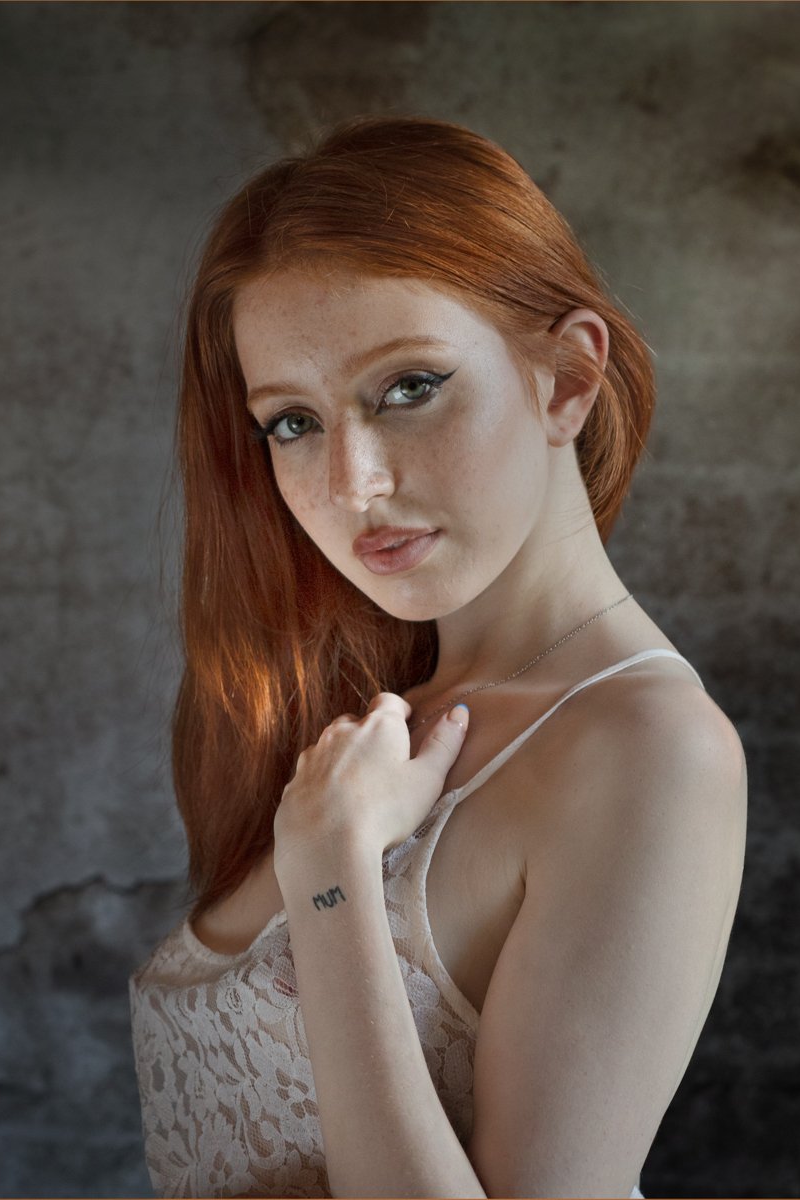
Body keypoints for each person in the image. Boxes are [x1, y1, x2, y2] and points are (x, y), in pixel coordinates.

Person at [129, 114, 747, 1200]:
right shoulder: (364, 706)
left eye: (408, 386)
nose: (353, 483)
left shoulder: (650, 748)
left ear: (567, 378)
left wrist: (331, 877)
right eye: (293, 423)